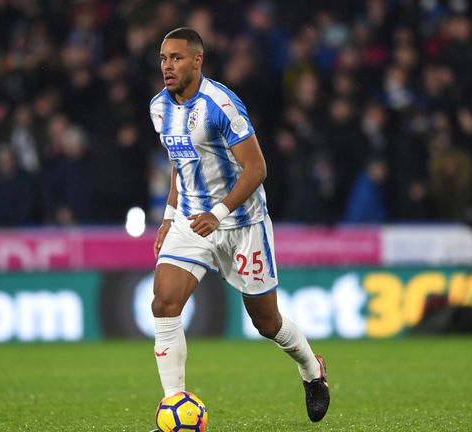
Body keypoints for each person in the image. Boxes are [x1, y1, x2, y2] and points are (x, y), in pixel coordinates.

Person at [148, 28, 329, 430]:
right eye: (163, 58)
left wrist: (218, 212)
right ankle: (173, 403)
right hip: (192, 221)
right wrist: (169, 216)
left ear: (197, 61)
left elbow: (257, 168)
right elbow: (180, 163)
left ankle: (311, 368)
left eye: (176, 58)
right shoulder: (159, 107)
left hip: (242, 223)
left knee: (267, 323)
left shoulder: (221, 105)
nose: (167, 66)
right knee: (164, 302)